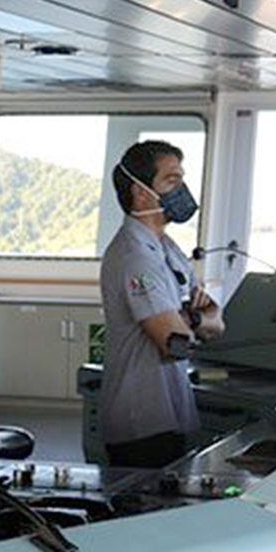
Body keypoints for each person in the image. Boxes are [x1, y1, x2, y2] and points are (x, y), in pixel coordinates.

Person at [97, 140, 223, 469]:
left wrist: (190, 318)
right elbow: (174, 344)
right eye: (172, 181)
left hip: (172, 412)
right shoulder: (134, 256)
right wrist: (196, 320)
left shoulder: (166, 248)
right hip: (142, 420)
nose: (182, 189)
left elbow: (217, 320)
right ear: (140, 193)